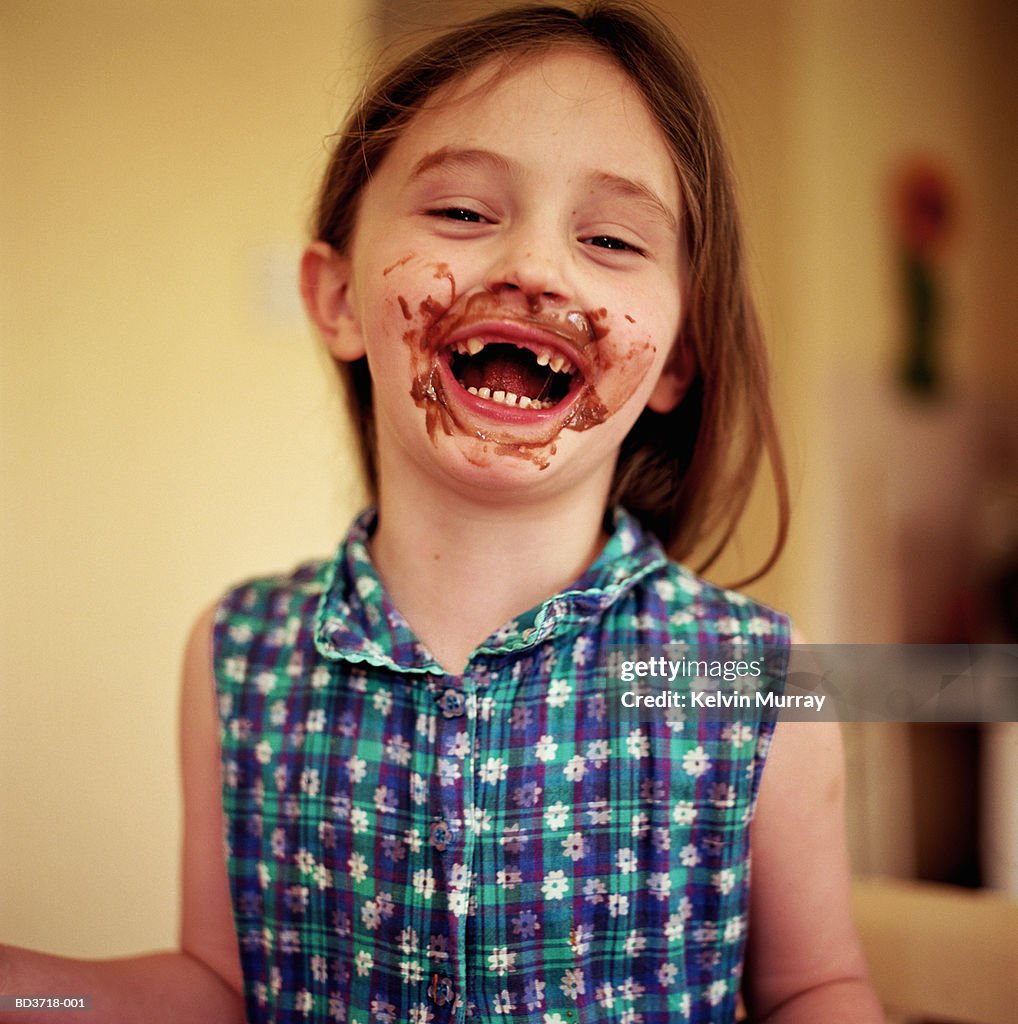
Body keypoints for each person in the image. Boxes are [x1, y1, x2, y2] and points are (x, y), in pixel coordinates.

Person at [0, 3, 884, 1022]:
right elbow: (219, 990)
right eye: (463, 213)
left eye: (607, 237)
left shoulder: (755, 679)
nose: (535, 267)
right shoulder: (239, 652)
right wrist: (32, 991)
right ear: (334, 299)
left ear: (678, 356)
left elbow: (815, 989)